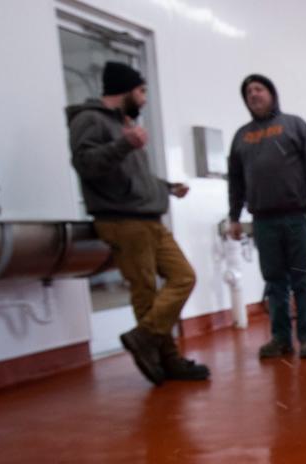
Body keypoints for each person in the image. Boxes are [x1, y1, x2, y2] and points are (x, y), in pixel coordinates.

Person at [66, 61, 209, 385]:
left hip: (149, 218)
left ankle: (145, 338)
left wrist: (167, 187)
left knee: (183, 277)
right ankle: (167, 359)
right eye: (141, 91)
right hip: (122, 221)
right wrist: (124, 144)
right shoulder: (89, 120)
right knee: (144, 292)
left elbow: (134, 176)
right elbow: (86, 164)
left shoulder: (124, 123)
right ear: (126, 90)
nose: (144, 99)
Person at [227, 74, 306, 360]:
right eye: (248, 92)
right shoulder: (241, 137)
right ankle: (280, 338)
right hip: (263, 220)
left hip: (298, 216)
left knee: (303, 279)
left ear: (272, 93)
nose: (254, 95)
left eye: (259, 89)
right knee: (274, 282)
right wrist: (234, 216)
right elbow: (235, 181)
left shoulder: (294, 126)